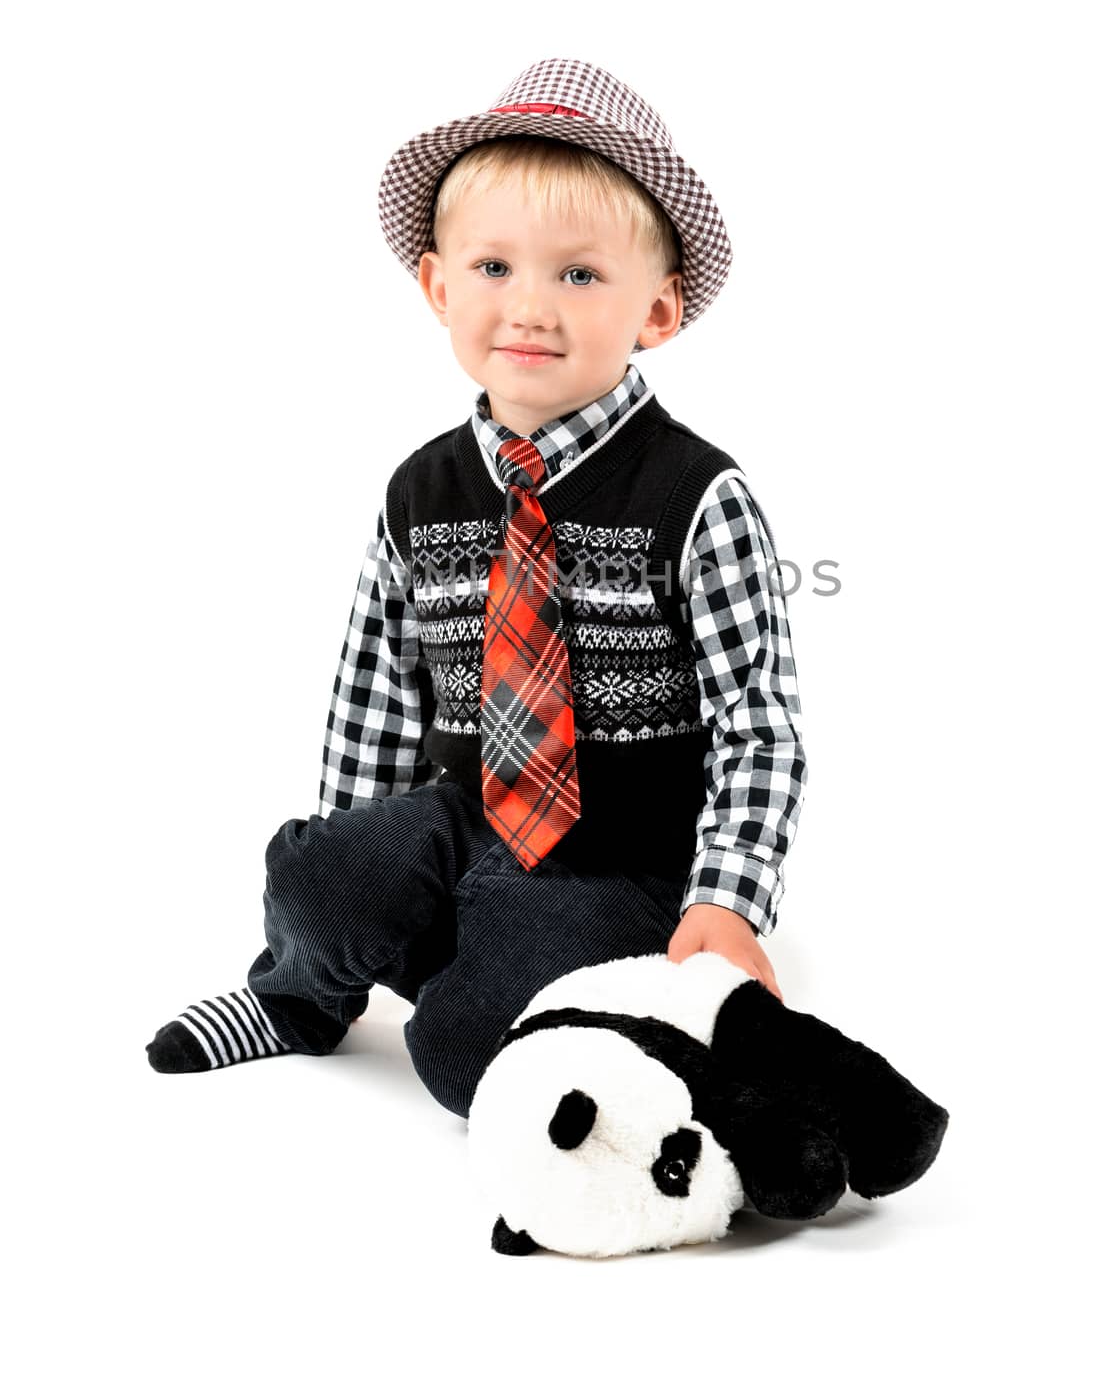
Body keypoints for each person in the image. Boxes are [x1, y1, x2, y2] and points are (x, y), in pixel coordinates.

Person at [145, 57, 808, 1118]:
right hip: (468, 815)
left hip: (618, 859)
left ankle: (547, 996)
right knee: (315, 875)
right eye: (494, 266)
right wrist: (359, 870)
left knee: (464, 1051)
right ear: (437, 286)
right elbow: (377, 690)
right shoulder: (422, 489)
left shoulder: (696, 495)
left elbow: (757, 723)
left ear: (659, 309)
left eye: (580, 275)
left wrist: (725, 898)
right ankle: (305, 1000)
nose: (530, 307)